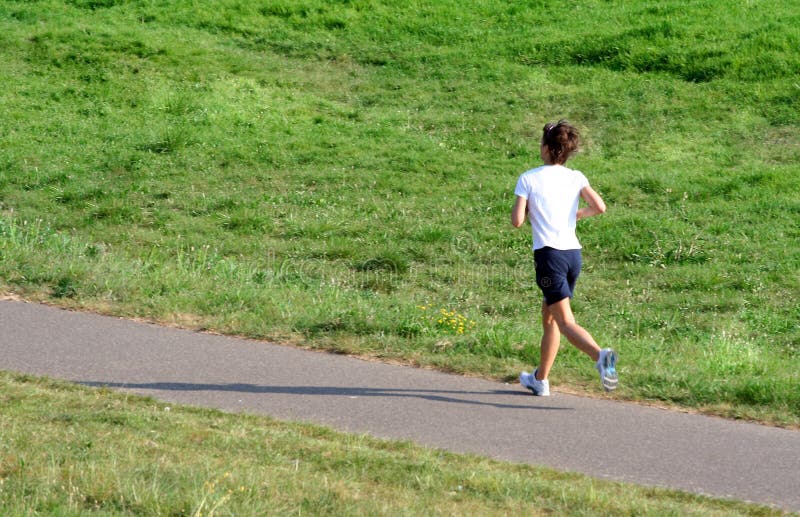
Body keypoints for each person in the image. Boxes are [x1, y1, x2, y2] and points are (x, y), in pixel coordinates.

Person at [511, 120, 617, 396]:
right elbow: (600, 207)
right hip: (573, 255)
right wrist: (578, 214)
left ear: (546, 148)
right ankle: (540, 379)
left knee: (566, 322)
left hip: (549, 257)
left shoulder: (528, 178)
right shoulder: (576, 177)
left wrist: (528, 209)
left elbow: (517, 221)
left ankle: (600, 356)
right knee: (550, 319)